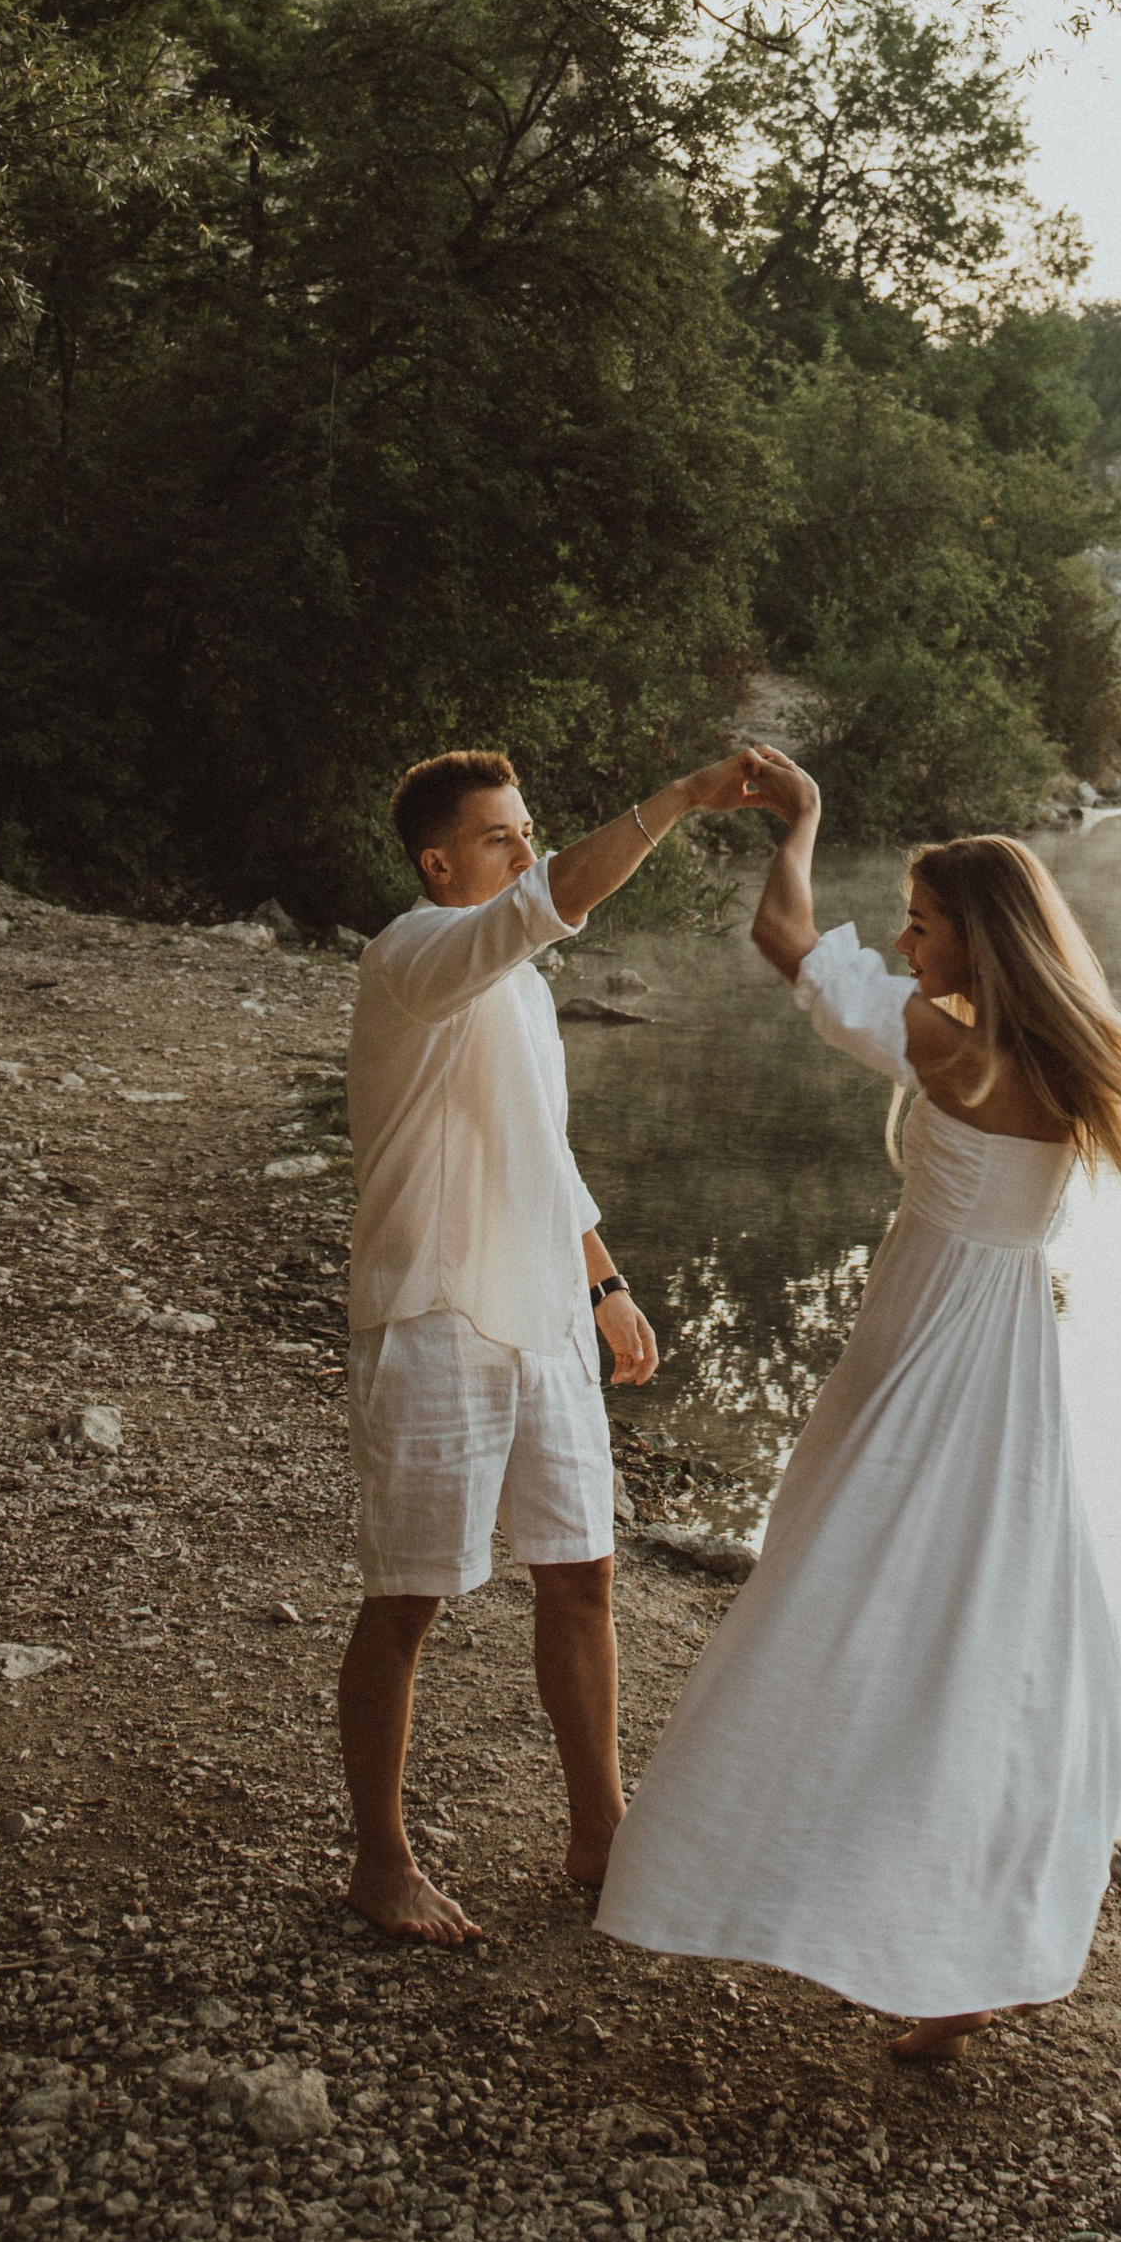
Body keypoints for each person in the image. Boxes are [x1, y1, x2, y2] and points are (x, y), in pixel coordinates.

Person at [594, 747, 1121, 2057]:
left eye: (920, 925)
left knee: (842, 1586)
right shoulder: (1070, 1071)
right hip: (1011, 1352)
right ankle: (958, 1938)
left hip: (922, 1342)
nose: (902, 945)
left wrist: (804, 816)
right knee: (985, 1605)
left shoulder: (945, 1052)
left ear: (979, 943)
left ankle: (805, 1886)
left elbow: (778, 932)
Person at [339, 740, 748, 1946]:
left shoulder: (514, 981)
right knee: (408, 1601)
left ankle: (601, 1836)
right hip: (430, 1319)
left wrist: (607, 1281)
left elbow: (543, 1148)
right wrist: (675, 798)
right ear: (439, 863)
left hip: (547, 1319)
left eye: (528, 828)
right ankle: (380, 1860)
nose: (526, 848)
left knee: (584, 1578)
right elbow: (559, 896)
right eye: (502, 837)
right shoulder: (415, 955)